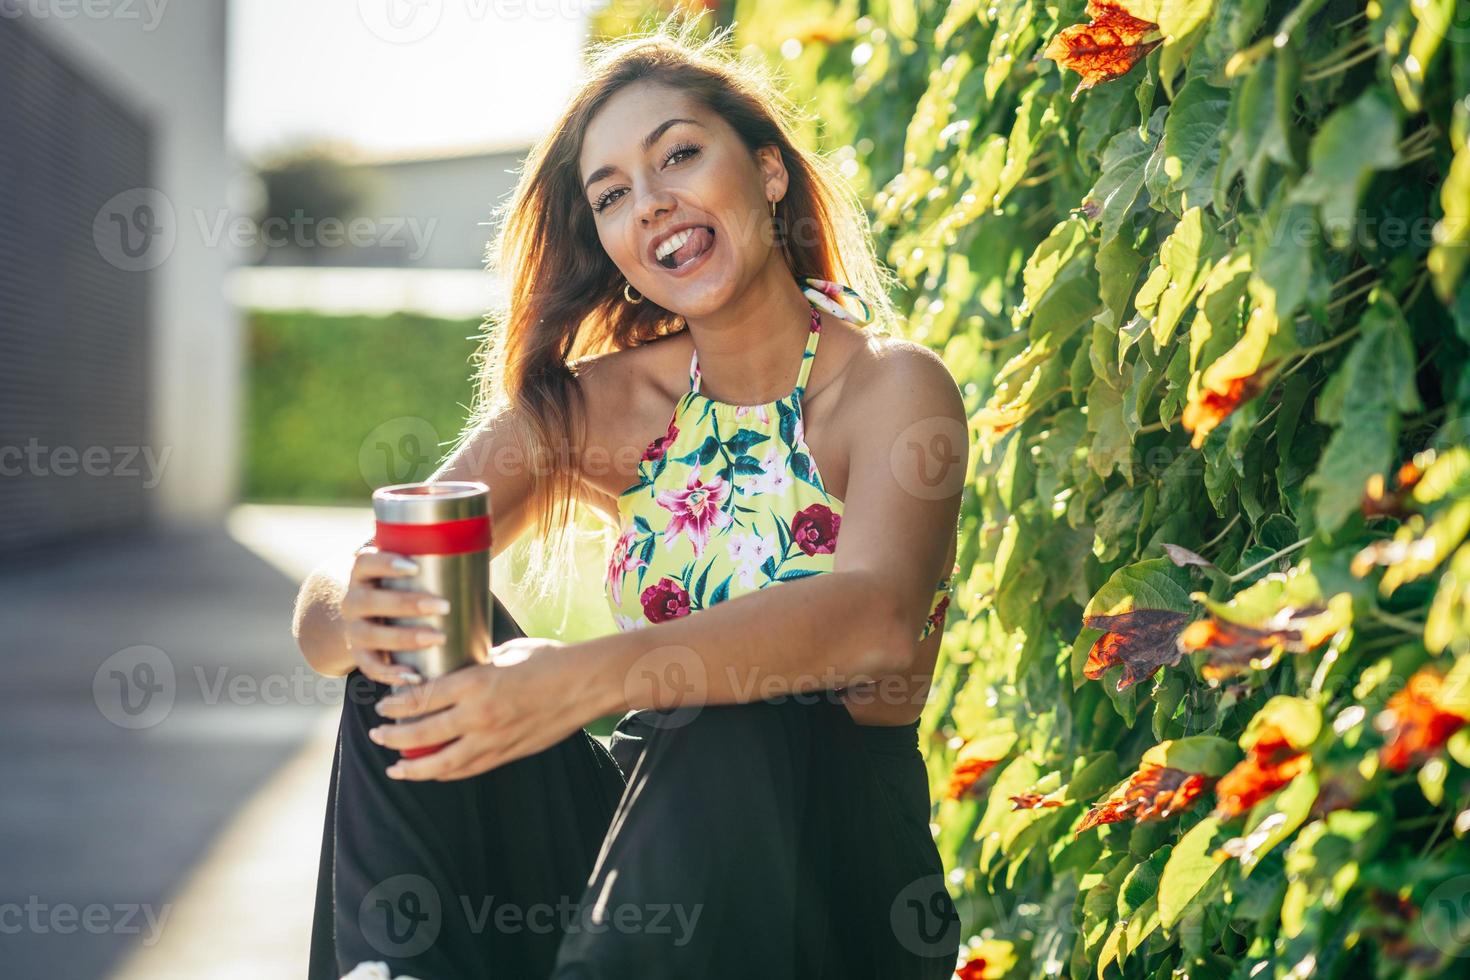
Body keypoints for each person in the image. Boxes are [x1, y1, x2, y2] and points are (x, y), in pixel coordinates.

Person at [294, 17, 966, 979]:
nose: (650, 204)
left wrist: (577, 677)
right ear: (606, 241)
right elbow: (344, 599)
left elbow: (875, 622)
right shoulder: (611, 402)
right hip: (639, 872)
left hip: (833, 878)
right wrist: (353, 604)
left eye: (679, 156)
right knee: (415, 622)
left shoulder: (892, 388)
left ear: (769, 172)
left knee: (736, 703)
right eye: (612, 195)